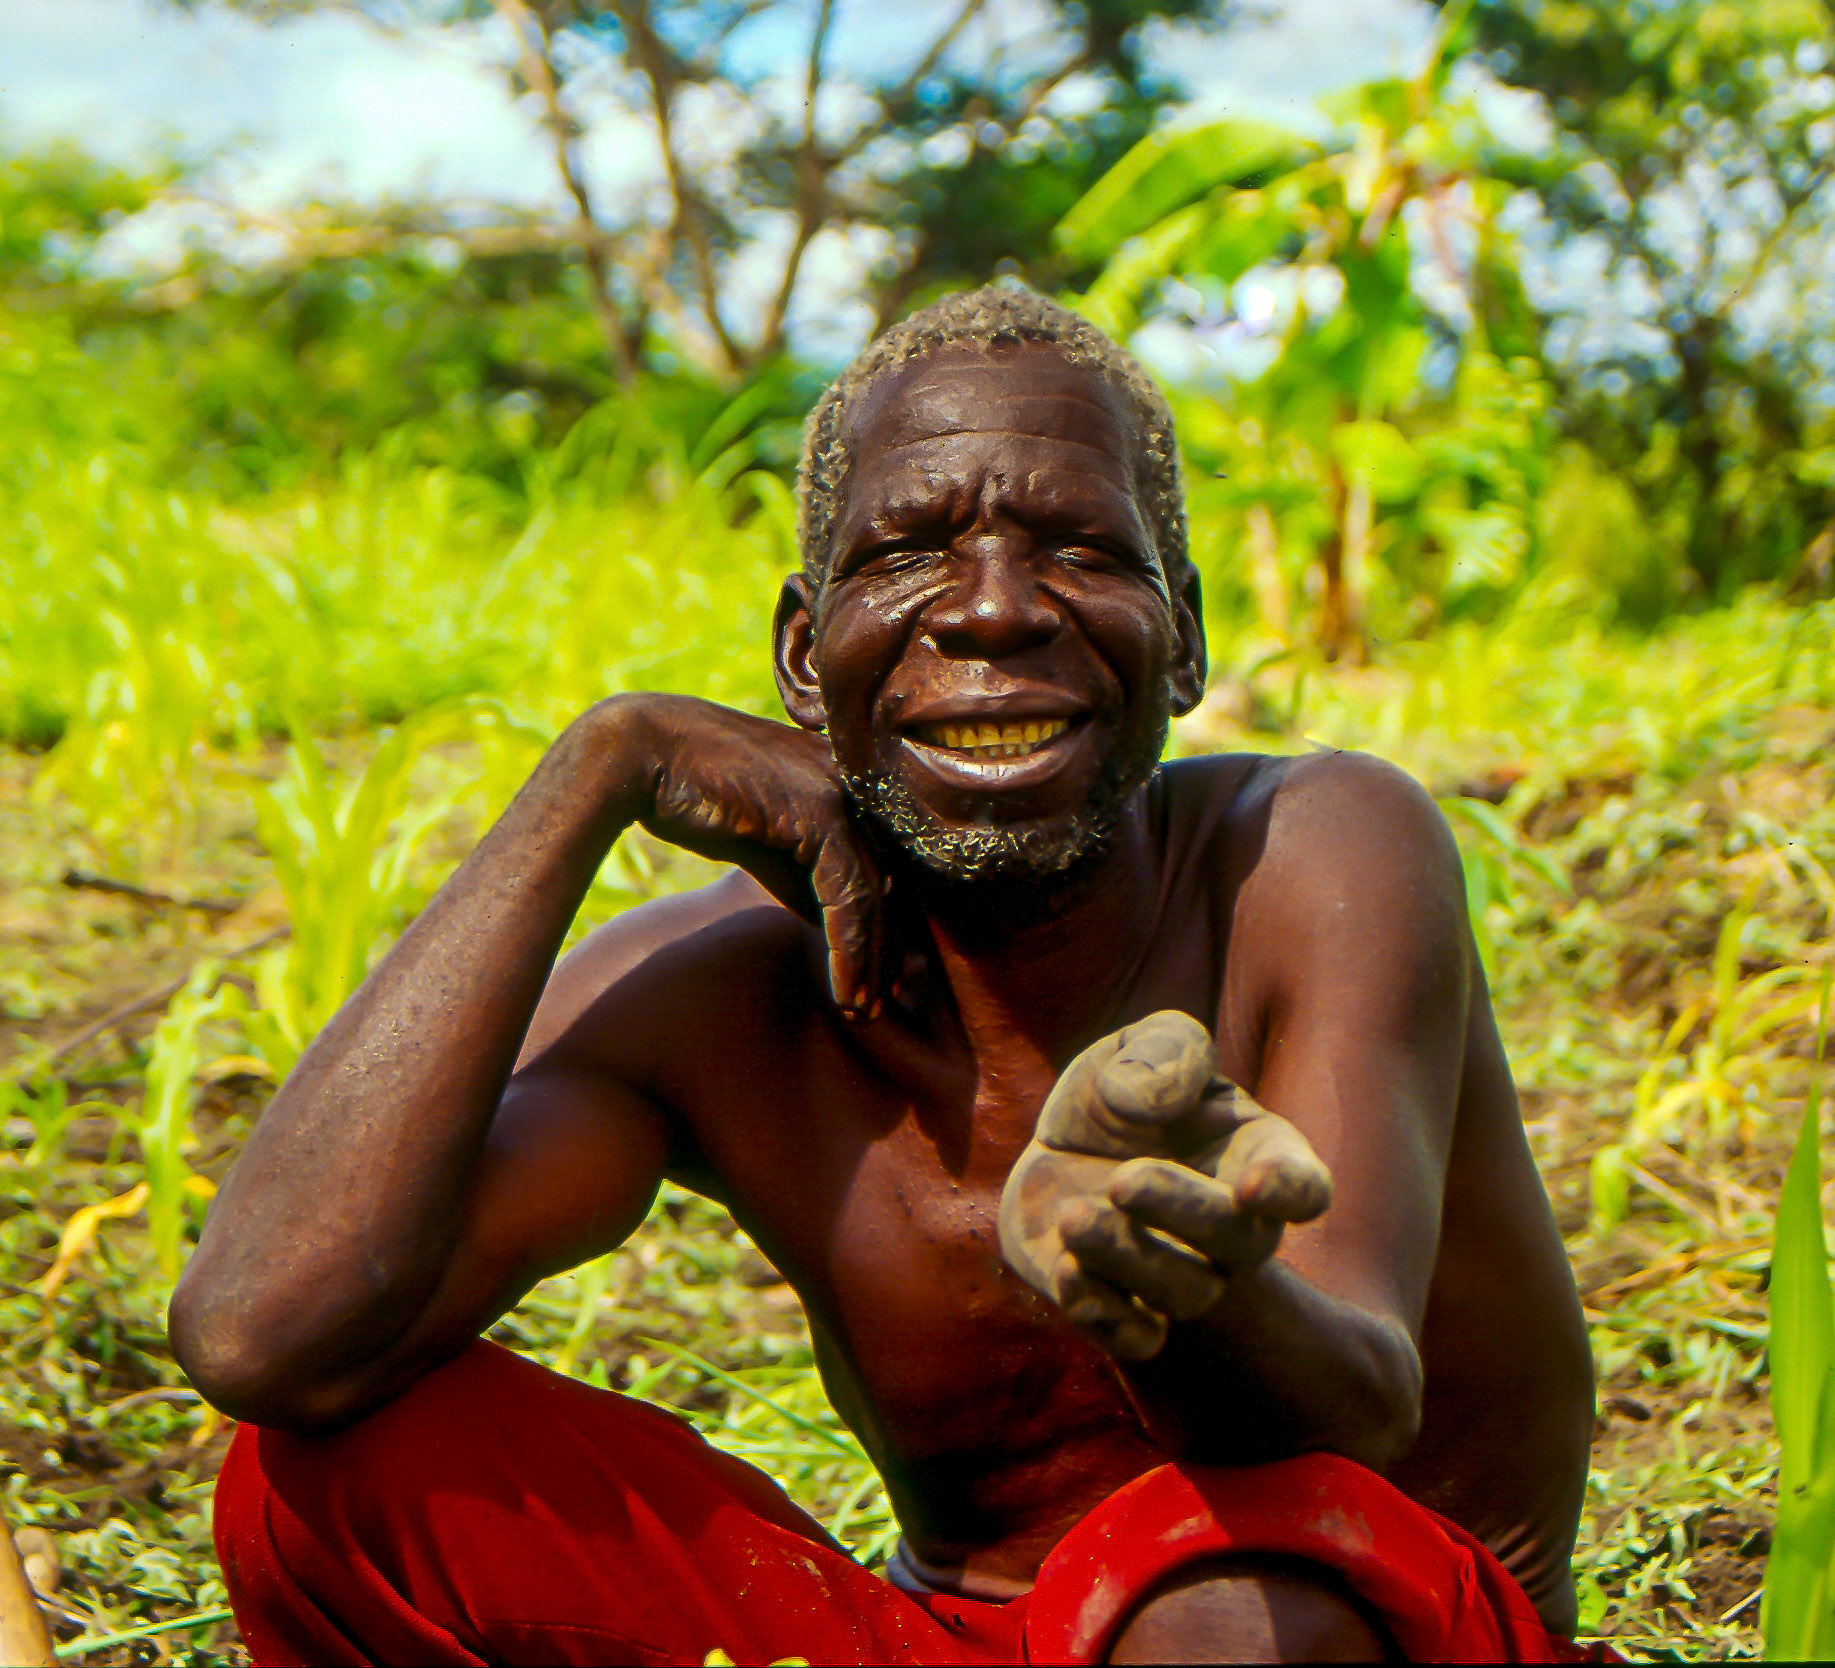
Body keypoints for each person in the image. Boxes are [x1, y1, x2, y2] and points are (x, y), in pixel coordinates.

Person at [170, 287, 1597, 1666]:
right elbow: (265, 1337)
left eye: (1083, 550)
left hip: (1356, 1611)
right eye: (908, 556)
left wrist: (1183, 1291)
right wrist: (597, 770)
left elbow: (1356, 1409)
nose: (991, 613)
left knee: (1203, 1588)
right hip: (947, 1635)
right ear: (805, 654)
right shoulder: (718, 991)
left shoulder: (1314, 850)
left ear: (1188, 640)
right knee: (333, 1475)